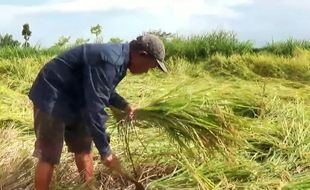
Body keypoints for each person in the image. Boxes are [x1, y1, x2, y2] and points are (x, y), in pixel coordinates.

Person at [28, 34, 167, 190]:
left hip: (76, 97)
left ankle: (89, 187)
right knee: (49, 155)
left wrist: (125, 105)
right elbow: (94, 109)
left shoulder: (120, 61)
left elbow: (101, 90)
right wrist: (106, 152)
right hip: (52, 94)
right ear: (142, 55)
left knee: (84, 147)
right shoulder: (110, 60)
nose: (148, 70)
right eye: (151, 66)